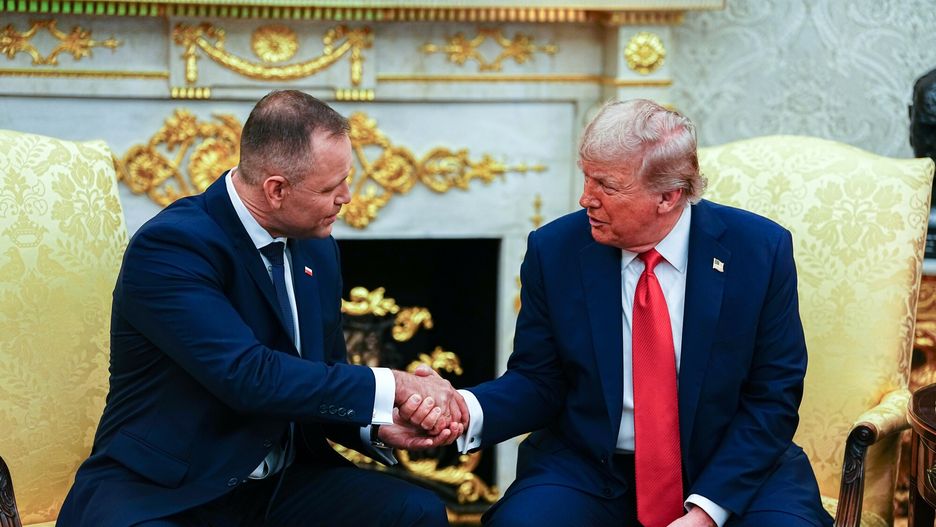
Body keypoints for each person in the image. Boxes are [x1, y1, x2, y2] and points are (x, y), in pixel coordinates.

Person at [59, 90, 466, 527]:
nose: (347, 197)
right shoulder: (172, 247)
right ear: (276, 189)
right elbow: (248, 376)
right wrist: (394, 385)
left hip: (278, 487)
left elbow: (322, 375)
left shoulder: (318, 249)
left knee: (415, 512)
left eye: (346, 179)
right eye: (331, 187)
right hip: (168, 492)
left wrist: (379, 424)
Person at [446, 99, 832, 526]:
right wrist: (462, 410)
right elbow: (539, 380)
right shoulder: (555, 250)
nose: (585, 198)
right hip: (591, 466)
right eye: (586, 177)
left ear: (668, 196)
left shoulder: (758, 251)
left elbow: (772, 397)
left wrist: (706, 512)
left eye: (606, 186)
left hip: (733, 464)